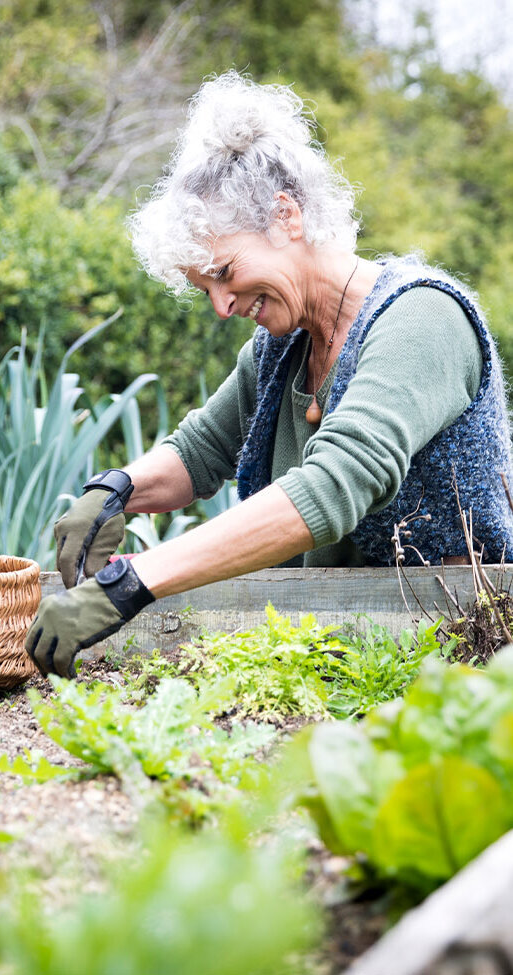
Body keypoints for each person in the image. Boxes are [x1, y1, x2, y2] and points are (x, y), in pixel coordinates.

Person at [26, 71, 513, 679]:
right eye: (204, 288)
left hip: (454, 660)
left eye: (225, 272)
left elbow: (335, 484)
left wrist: (131, 583)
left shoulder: (423, 317)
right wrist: (114, 491)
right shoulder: (280, 348)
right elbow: (202, 451)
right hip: (333, 651)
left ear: (287, 217)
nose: (221, 306)